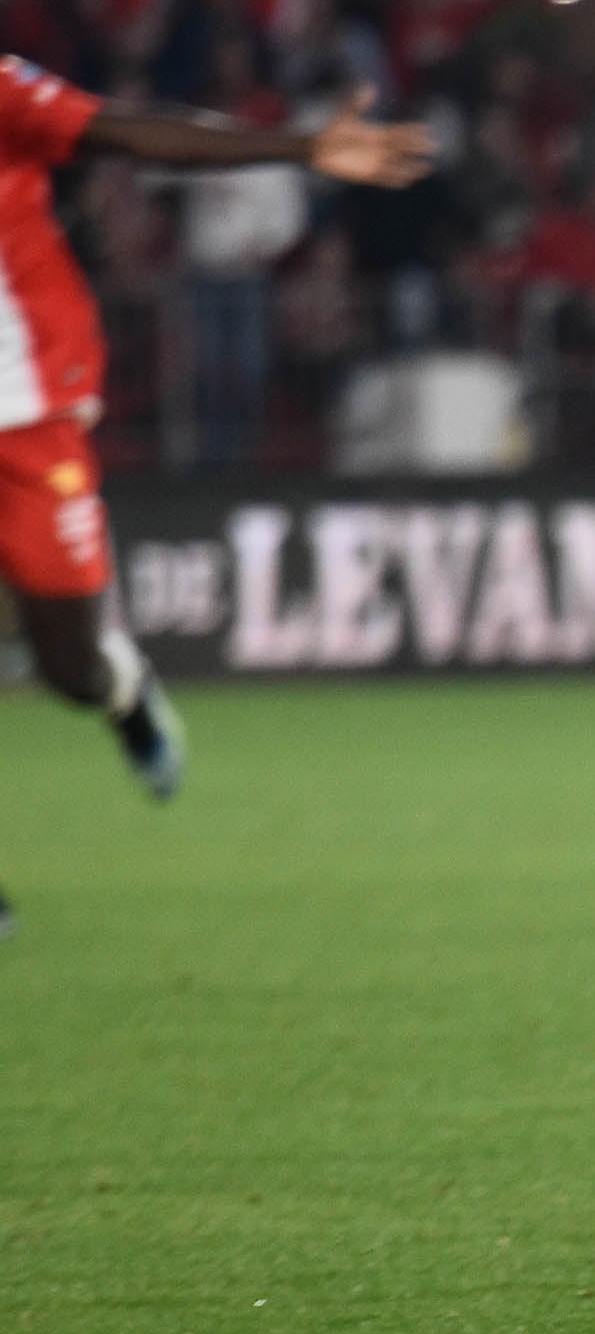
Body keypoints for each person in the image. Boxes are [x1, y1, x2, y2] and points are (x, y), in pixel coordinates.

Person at [0, 57, 432, 926]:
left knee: (69, 666)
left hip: (27, 410)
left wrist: (302, 145)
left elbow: (129, 128)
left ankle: (120, 687)